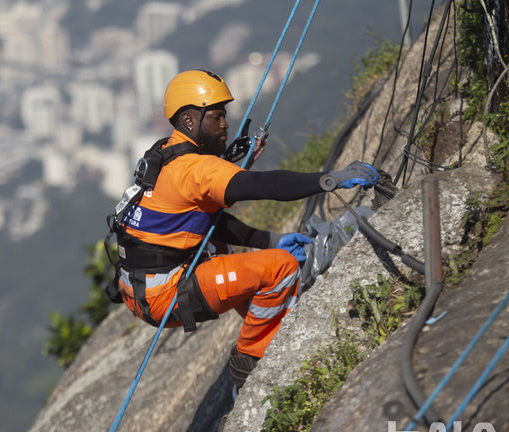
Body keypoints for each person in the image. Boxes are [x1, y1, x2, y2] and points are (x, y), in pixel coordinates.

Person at [112, 70, 378, 390]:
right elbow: (263, 185)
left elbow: (203, 220)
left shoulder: (164, 154)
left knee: (226, 253)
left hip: (141, 289)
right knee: (280, 267)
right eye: (216, 117)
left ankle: (266, 315)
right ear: (188, 121)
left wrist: (270, 239)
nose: (225, 124)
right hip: (164, 293)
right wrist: (328, 180)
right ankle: (250, 360)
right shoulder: (197, 169)